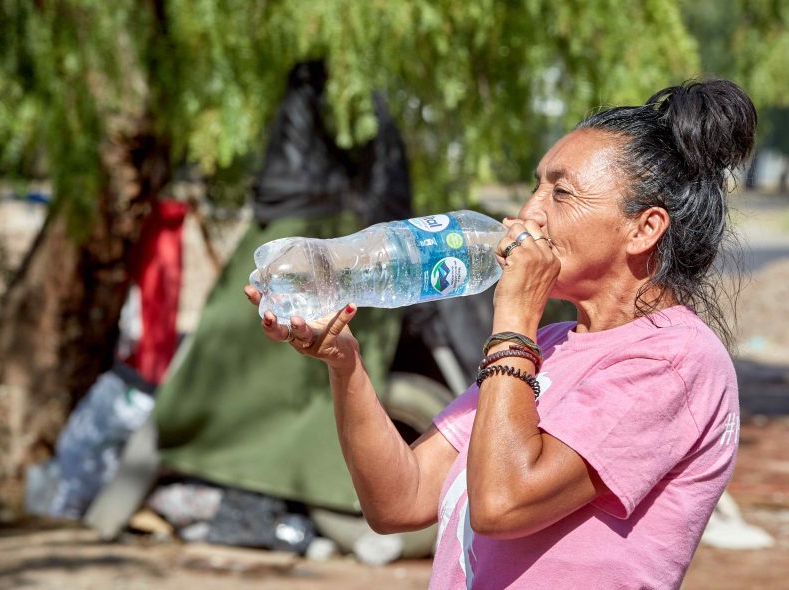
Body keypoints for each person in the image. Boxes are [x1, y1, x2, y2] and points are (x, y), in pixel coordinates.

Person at [244, 78, 756, 589]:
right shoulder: (551, 346)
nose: (528, 213)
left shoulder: (674, 360)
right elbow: (401, 500)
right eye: (537, 186)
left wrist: (514, 312)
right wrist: (345, 363)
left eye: (561, 192)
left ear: (644, 228)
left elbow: (503, 503)